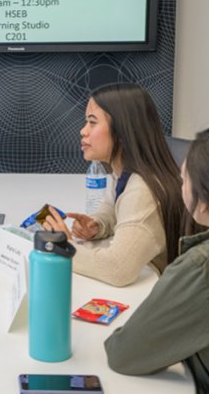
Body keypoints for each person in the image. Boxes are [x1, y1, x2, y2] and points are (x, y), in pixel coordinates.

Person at [105, 124, 209, 393]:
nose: (180, 187)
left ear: (204, 201)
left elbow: (124, 354)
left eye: (184, 180)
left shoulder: (206, 267)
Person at [44, 83, 184, 286]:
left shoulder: (142, 190)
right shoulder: (126, 173)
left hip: (159, 299)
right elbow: (113, 207)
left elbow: (118, 269)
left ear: (122, 132)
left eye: (92, 123)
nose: (83, 131)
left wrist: (65, 248)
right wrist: (97, 224)